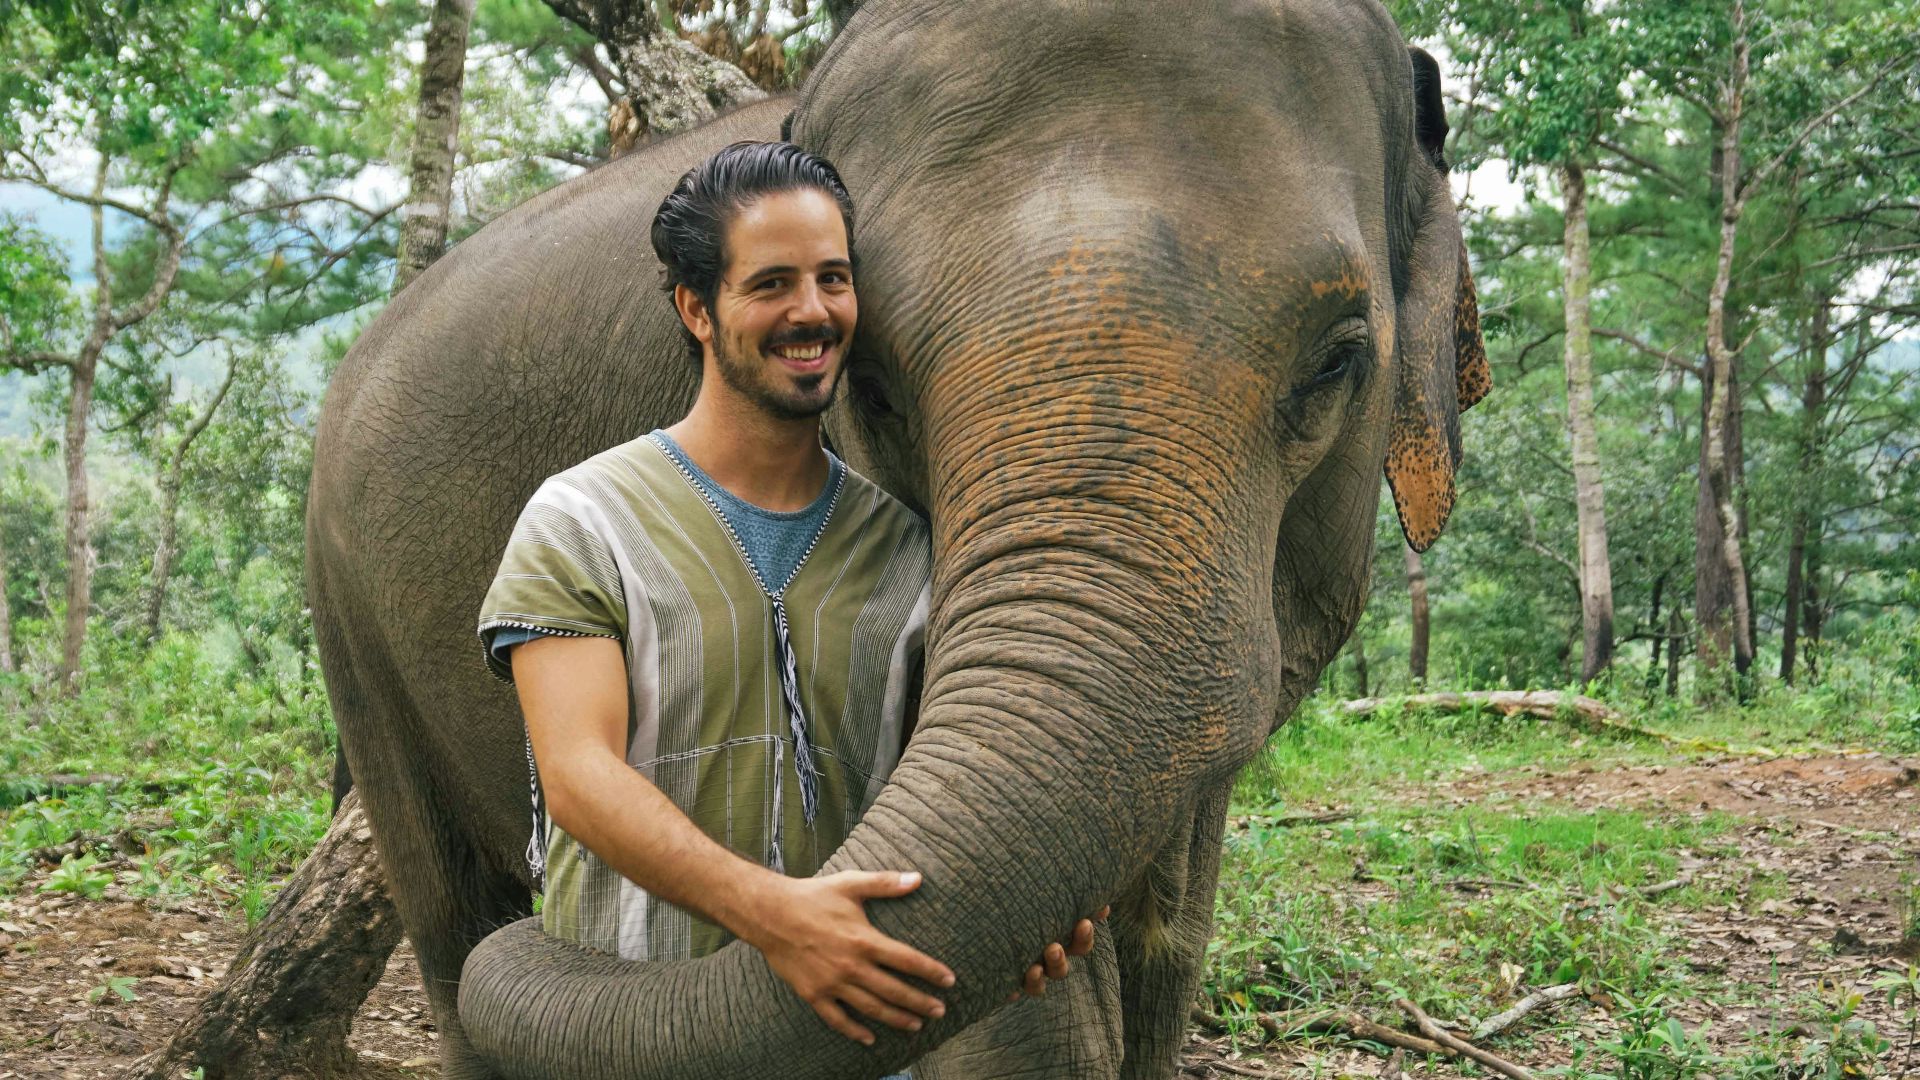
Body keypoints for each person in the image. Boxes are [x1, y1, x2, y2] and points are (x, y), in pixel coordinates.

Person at [476, 141, 1098, 1059]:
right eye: (772, 284)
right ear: (697, 308)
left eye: (833, 279)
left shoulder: (912, 550)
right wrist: (778, 919)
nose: (812, 312)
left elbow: (949, 787)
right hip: (631, 1041)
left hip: (846, 1051)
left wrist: (1011, 918)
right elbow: (579, 779)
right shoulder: (582, 520)